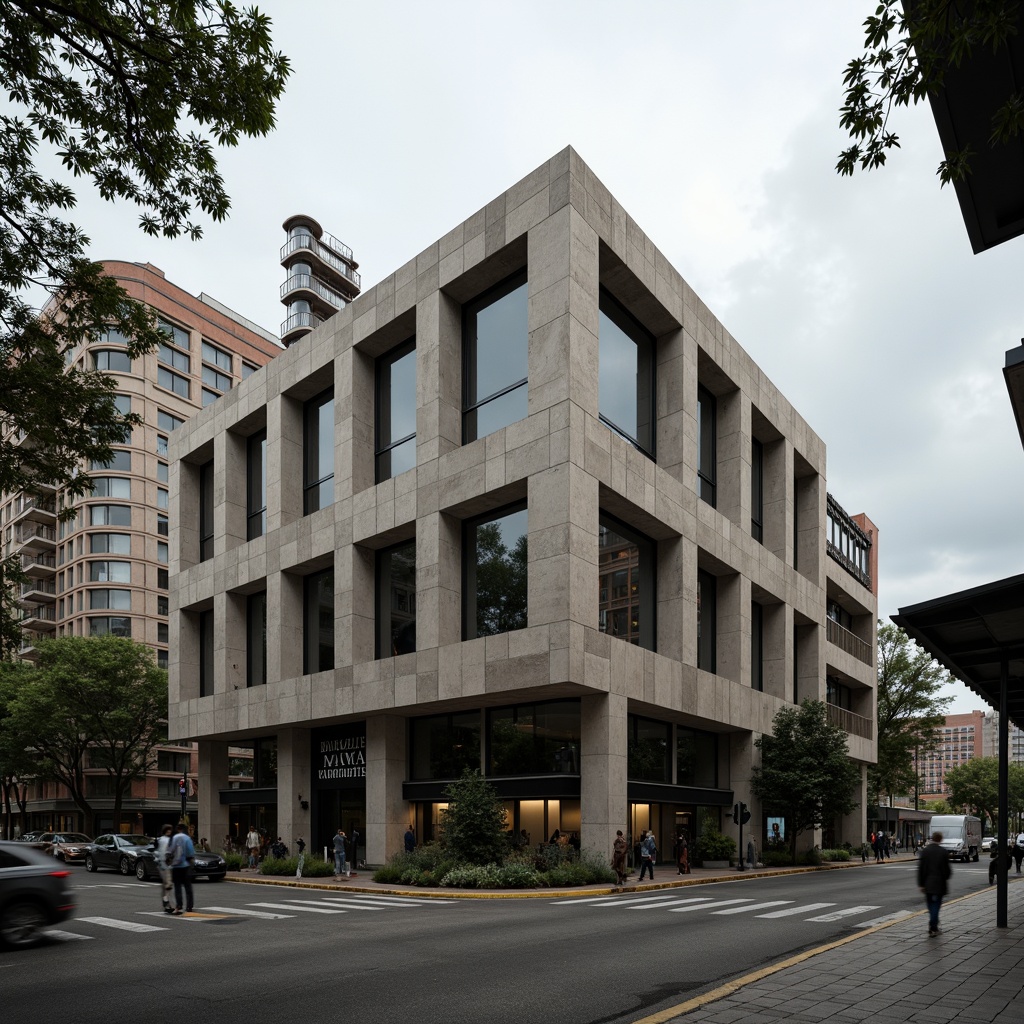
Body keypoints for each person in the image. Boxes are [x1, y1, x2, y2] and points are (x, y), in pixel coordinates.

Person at [917, 830, 952, 937]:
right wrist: (945, 877)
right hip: (939, 883)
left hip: (927, 883)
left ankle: (933, 924)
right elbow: (947, 871)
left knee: (930, 905)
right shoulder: (943, 852)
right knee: (936, 905)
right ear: (940, 839)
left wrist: (921, 884)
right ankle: (933, 925)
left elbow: (921, 869)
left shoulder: (925, 851)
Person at [169, 822, 196, 915]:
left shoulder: (175, 838)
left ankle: (179, 906)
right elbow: (190, 852)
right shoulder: (187, 838)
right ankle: (189, 906)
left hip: (176, 866)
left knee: (177, 887)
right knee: (188, 887)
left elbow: (171, 851)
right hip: (186, 865)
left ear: (178, 829)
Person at [154, 823, 174, 914]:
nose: (169, 831)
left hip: (161, 864)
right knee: (168, 885)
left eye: (170, 830)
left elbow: (157, 852)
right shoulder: (167, 840)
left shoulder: (160, 839)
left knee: (165, 885)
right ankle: (166, 903)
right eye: (168, 830)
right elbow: (166, 852)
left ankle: (166, 902)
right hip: (166, 864)